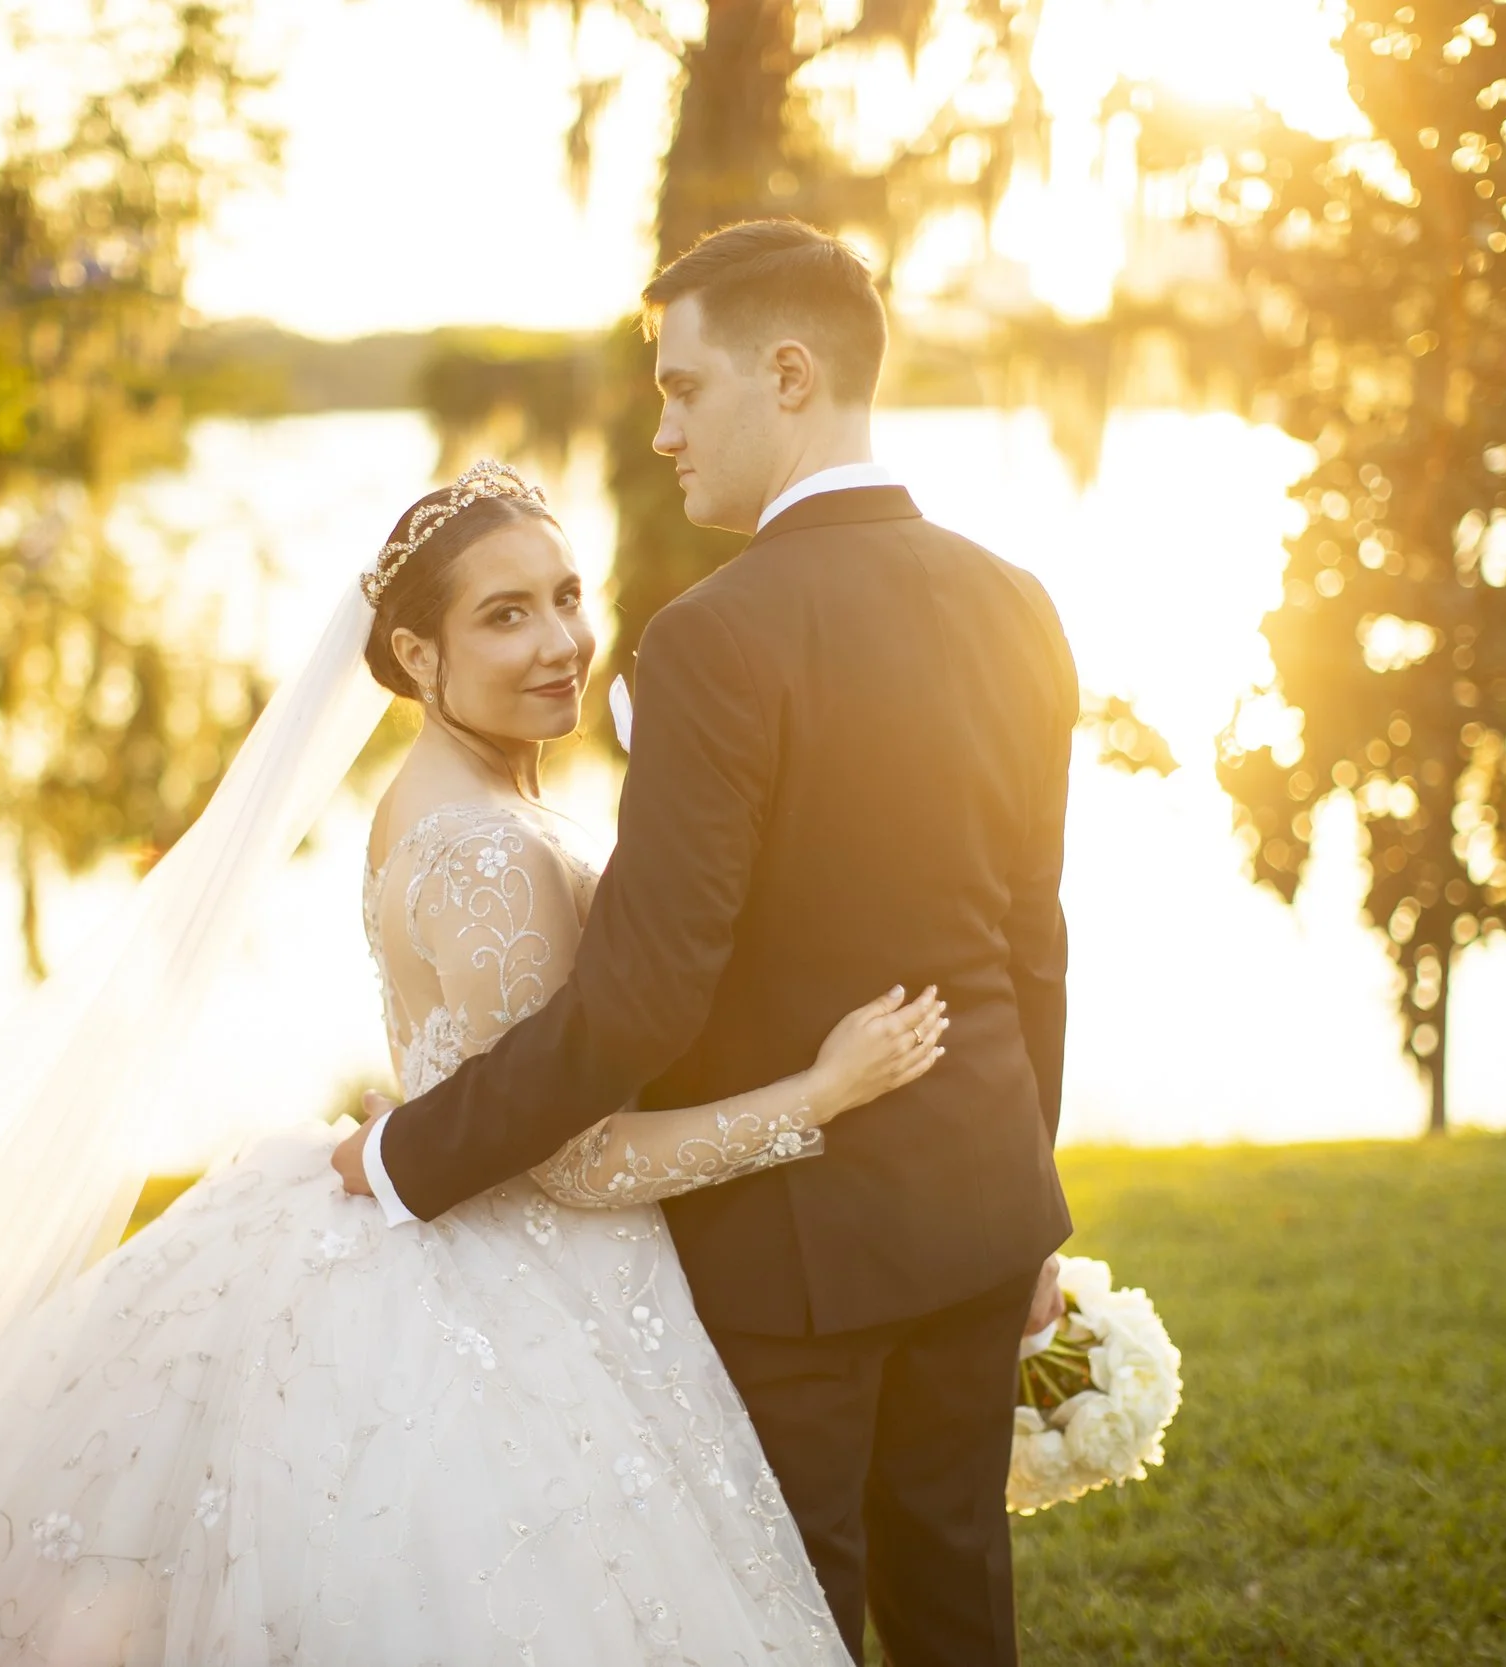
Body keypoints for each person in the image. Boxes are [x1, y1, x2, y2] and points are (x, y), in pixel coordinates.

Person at [0, 461, 950, 1666]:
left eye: (566, 595)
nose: (560, 640)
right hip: (514, 1281)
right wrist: (811, 1102)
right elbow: (561, 1151)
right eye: (506, 616)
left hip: (488, 1248)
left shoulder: (481, 800)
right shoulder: (483, 846)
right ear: (414, 652)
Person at [339, 219, 1080, 1666]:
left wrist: (404, 1154)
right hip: (983, 1207)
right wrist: (1028, 1183)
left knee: (781, 1617)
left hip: (794, 1260)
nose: (665, 431)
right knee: (954, 1608)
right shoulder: (1018, 599)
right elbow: (1031, 936)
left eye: (684, 390)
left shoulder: (711, 640)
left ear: (788, 374)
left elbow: (642, 998)